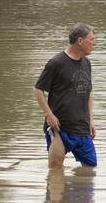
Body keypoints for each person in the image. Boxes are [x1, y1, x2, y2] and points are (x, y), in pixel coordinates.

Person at [33, 24, 97, 169]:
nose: (94, 43)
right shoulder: (56, 63)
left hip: (82, 127)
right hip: (60, 128)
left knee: (90, 170)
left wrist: (91, 121)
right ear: (80, 41)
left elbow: (89, 92)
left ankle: (75, 191)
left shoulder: (87, 63)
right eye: (91, 39)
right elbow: (38, 90)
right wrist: (49, 116)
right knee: (55, 169)